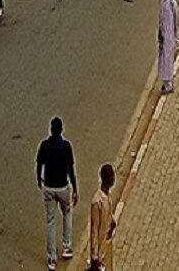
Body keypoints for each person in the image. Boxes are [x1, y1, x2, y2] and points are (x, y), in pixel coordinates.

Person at [36, 116, 78, 271]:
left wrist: (39, 181)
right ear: (61, 130)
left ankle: (52, 259)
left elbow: (39, 164)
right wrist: (75, 189)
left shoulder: (45, 145)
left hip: (48, 187)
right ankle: (67, 247)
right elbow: (71, 169)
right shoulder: (66, 146)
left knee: (51, 221)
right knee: (67, 213)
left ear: (50, 130)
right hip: (63, 187)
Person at [88, 163, 117, 271]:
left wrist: (113, 222)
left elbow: (108, 215)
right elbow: (94, 228)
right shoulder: (97, 202)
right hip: (99, 248)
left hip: (106, 243)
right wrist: (94, 256)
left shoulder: (108, 195)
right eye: (112, 177)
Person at [157, 0, 179, 93]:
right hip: (164, 33)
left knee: (168, 59)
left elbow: (176, 18)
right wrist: (160, 32)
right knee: (163, 59)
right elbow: (161, 17)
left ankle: (169, 84)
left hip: (170, 34)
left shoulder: (172, 3)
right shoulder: (162, 0)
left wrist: (175, 34)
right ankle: (165, 82)